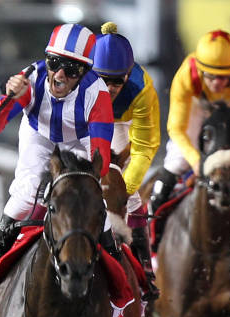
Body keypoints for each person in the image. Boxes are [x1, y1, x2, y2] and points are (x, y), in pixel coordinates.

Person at [0, 23, 116, 280]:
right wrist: (9, 99)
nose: (60, 74)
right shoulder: (30, 78)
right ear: (46, 59)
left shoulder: (97, 94)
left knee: (92, 197)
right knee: (27, 193)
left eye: (71, 69)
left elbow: (101, 159)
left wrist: (83, 179)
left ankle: (114, 263)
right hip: (38, 133)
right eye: (54, 62)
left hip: (78, 140)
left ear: (85, 72)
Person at [149, 29, 230, 255]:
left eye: (224, 77)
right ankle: (152, 232)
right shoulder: (186, 75)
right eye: (211, 76)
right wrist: (196, 161)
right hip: (196, 106)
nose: (218, 82)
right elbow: (176, 129)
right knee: (174, 164)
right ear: (200, 69)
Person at [92, 22, 161, 300]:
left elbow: (145, 148)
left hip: (123, 125)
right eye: (103, 80)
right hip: (87, 120)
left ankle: (145, 268)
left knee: (130, 200)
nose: (110, 88)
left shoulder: (142, 90)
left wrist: (124, 189)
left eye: (117, 82)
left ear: (128, 75)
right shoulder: (79, 79)